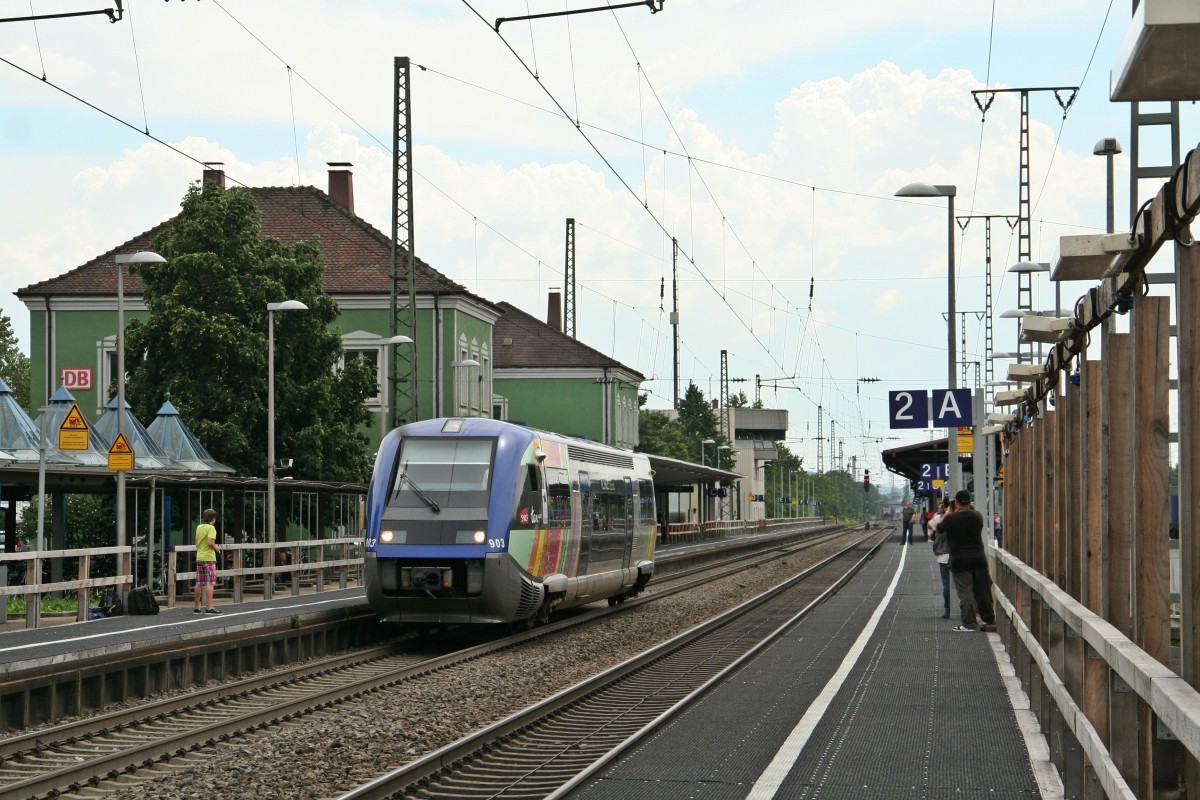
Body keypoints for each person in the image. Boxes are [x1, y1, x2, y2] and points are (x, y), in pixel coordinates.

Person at [942, 490, 996, 632]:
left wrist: (948, 512)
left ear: (956, 503)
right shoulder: (977, 516)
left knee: (965, 592)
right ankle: (989, 621)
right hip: (979, 559)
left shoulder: (951, 518)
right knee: (983, 591)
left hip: (960, 561)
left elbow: (939, 528)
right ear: (970, 502)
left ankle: (969, 624)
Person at [193, 508, 222, 614]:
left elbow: (197, 543)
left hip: (199, 557)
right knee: (210, 582)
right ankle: (209, 608)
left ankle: (197, 608)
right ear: (213, 518)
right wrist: (217, 548)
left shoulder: (199, 527)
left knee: (199, 583)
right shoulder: (211, 528)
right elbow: (210, 542)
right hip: (209, 557)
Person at [930, 499, 952, 619]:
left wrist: (940, 513)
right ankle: (966, 610)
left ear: (943, 507)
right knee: (963, 584)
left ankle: (948, 610)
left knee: (946, 583)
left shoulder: (940, 518)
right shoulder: (959, 517)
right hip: (958, 555)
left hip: (944, 555)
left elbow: (931, 526)